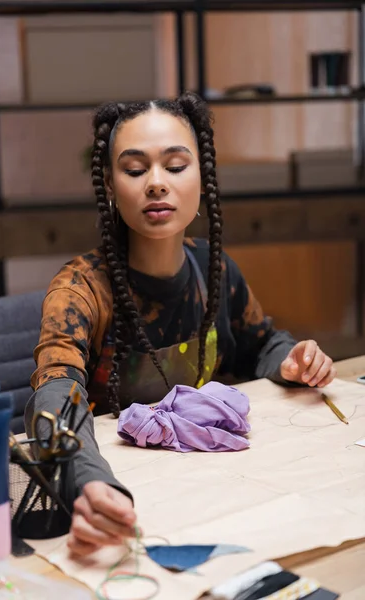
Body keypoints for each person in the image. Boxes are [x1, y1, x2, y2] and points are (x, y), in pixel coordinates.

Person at [25, 92, 336, 557]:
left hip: (214, 492)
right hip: (119, 495)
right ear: (110, 184)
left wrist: (291, 361)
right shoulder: (80, 290)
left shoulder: (215, 270)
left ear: (203, 179)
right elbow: (53, 399)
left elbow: (260, 343)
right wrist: (88, 482)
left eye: (175, 166)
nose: (156, 184)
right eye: (134, 170)